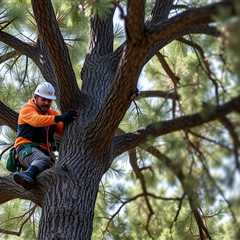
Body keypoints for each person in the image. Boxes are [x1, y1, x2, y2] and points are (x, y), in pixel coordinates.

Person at [13, 82, 77, 189]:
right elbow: (36, 120)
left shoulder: (52, 113)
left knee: (56, 175)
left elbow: (61, 130)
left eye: (49, 100)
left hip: (44, 153)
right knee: (43, 160)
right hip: (26, 149)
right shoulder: (27, 109)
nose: (46, 103)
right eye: (43, 99)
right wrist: (60, 118)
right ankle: (28, 174)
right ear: (36, 97)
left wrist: (69, 121)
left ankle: (30, 179)